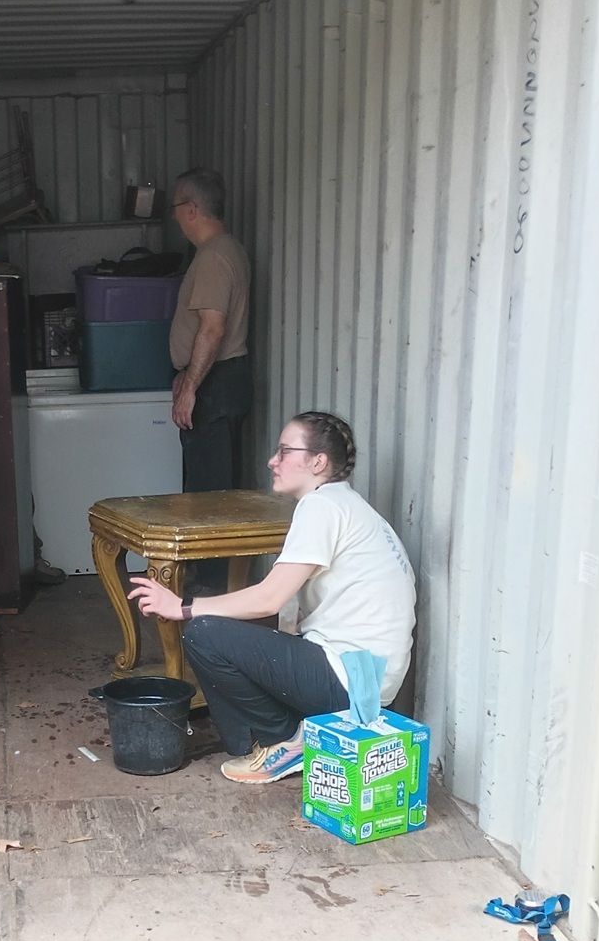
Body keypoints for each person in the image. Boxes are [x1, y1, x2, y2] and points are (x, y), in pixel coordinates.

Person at [127, 411, 416, 786]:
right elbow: (283, 606)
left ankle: (280, 741)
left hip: (353, 682)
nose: (272, 461)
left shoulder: (322, 507)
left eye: (284, 451)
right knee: (234, 630)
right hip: (367, 681)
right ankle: (294, 732)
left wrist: (181, 607)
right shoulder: (346, 505)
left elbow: (270, 599)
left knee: (204, 633)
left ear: (318, 462)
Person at [168, 167, 252, 592]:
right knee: (207, 485)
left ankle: (212, 589)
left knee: (210, 492)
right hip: (215, 380)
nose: (174, 217)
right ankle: (208, 580)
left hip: (215, 384)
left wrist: (191, 387)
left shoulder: (214, 257)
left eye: (175, 207)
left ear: (192, 209)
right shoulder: (220, 251)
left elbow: (213, 328)